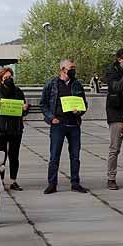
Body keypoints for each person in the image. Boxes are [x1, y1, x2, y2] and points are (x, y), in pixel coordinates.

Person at [40, 59, 88, 194]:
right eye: (71, 68)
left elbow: (84, 103)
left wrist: (80, 111)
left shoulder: (77, 84)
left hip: (74, 124)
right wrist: (51, 118)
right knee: (54, 155)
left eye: (74, 68)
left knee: (75, 156)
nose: (73, 70)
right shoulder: (51, 84)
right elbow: (43, 104)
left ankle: (75, 183)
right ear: (63, 69)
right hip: (58, 124)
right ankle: (52, 183)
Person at [0, 67, 28, 191]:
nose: (9, 79)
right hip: (0, 129)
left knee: (14, 156)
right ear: (1, 80)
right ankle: (0, 180)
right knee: (0, 156)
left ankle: (13, 181)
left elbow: (23, 111)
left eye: (10, 77)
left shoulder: (18, 91)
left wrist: (25, 108)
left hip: (15, 128)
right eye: (6, 78)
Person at [103, 48, 123, 190]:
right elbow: (115, 88)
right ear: (119, 59)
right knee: (115, 148)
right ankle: (111, 177)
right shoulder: (112, 71)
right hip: (116, 112)